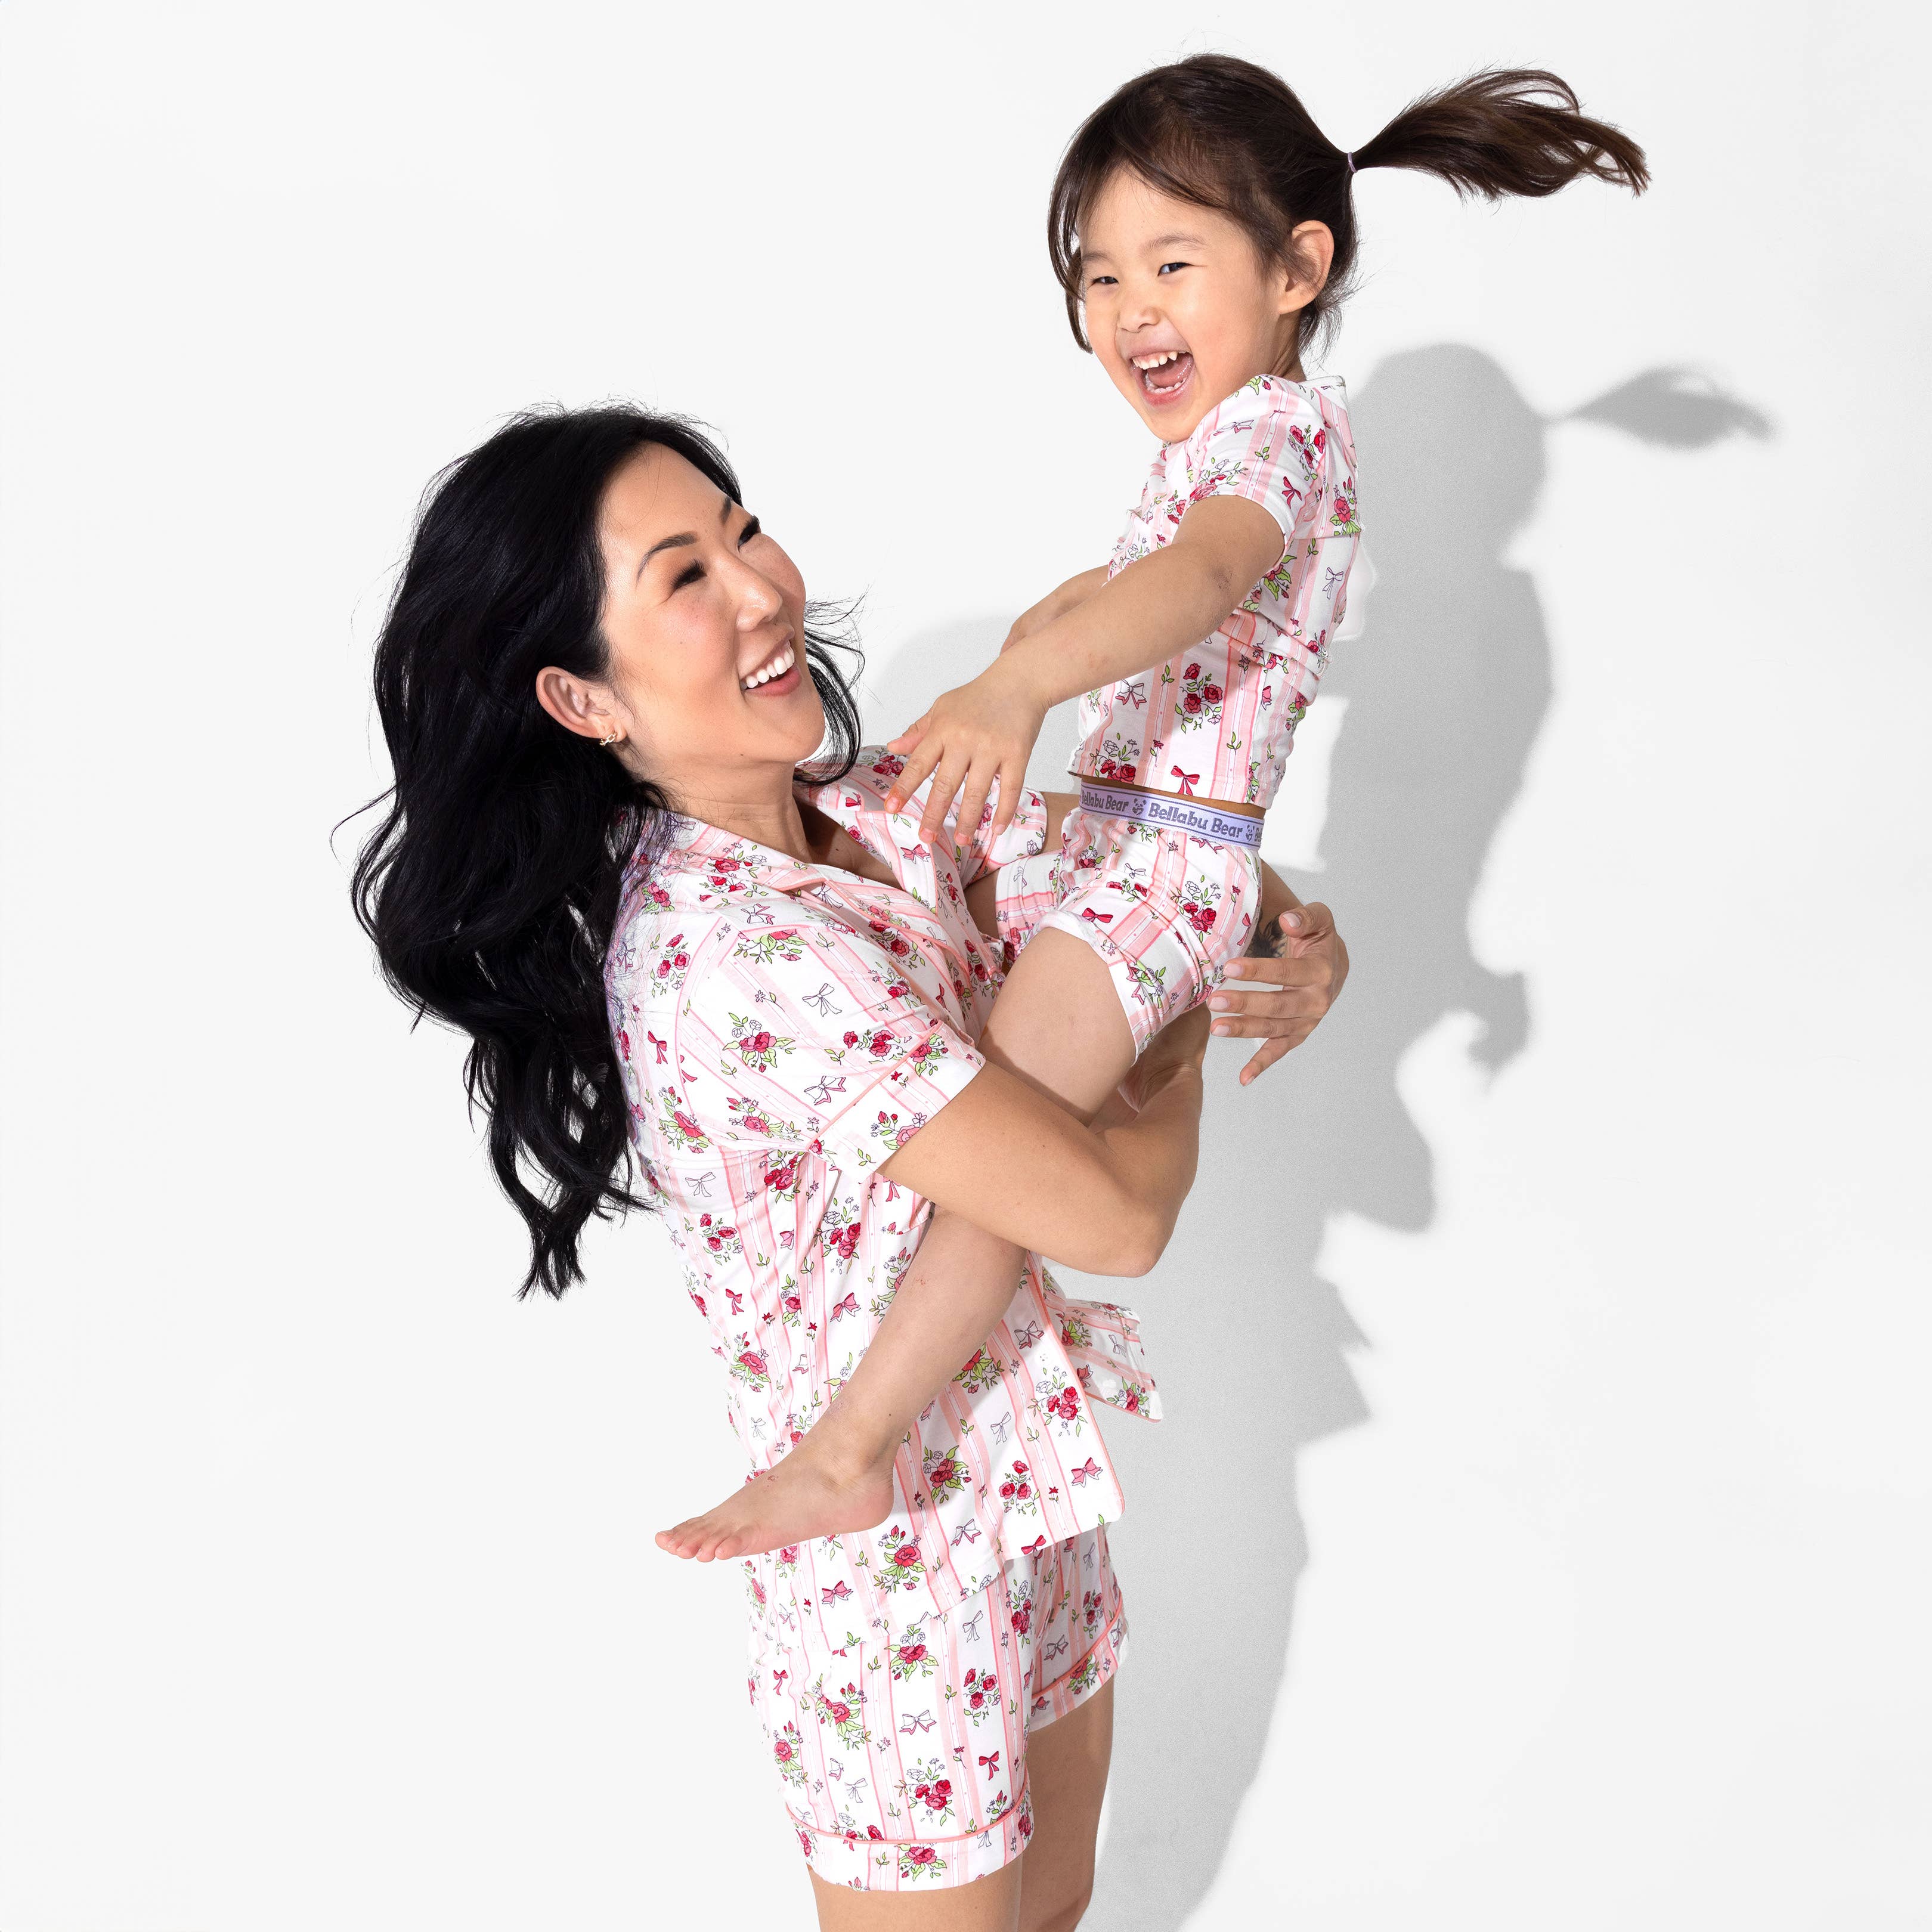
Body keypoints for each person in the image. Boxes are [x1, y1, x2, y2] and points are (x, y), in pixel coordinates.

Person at [352, 405, 1349, 1919]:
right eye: (682, 577)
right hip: (888, 1582)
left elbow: (1166, 860)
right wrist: (1182, 1021)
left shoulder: (874, 809)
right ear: (582, 697)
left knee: (1061, 1914)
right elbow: (1121, 1215)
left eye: (743, 530)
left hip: (1029, 1476)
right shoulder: (727, 949)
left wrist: (1281, 933)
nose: (760, 590)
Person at [660, 54, 1648, 1568]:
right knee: (989, 1116)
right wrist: (1026, 670)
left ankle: (852, 1448)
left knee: (1001, 1140)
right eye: (1098, 272)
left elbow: (1188, 592)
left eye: (1172, 263)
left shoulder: (1275, 437)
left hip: (1156, 867)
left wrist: (1018, 691)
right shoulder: (1211, 455)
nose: (1128, 308)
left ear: (1300, 268)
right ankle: (867, 1436)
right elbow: (1132, 595)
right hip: (1134, 853)